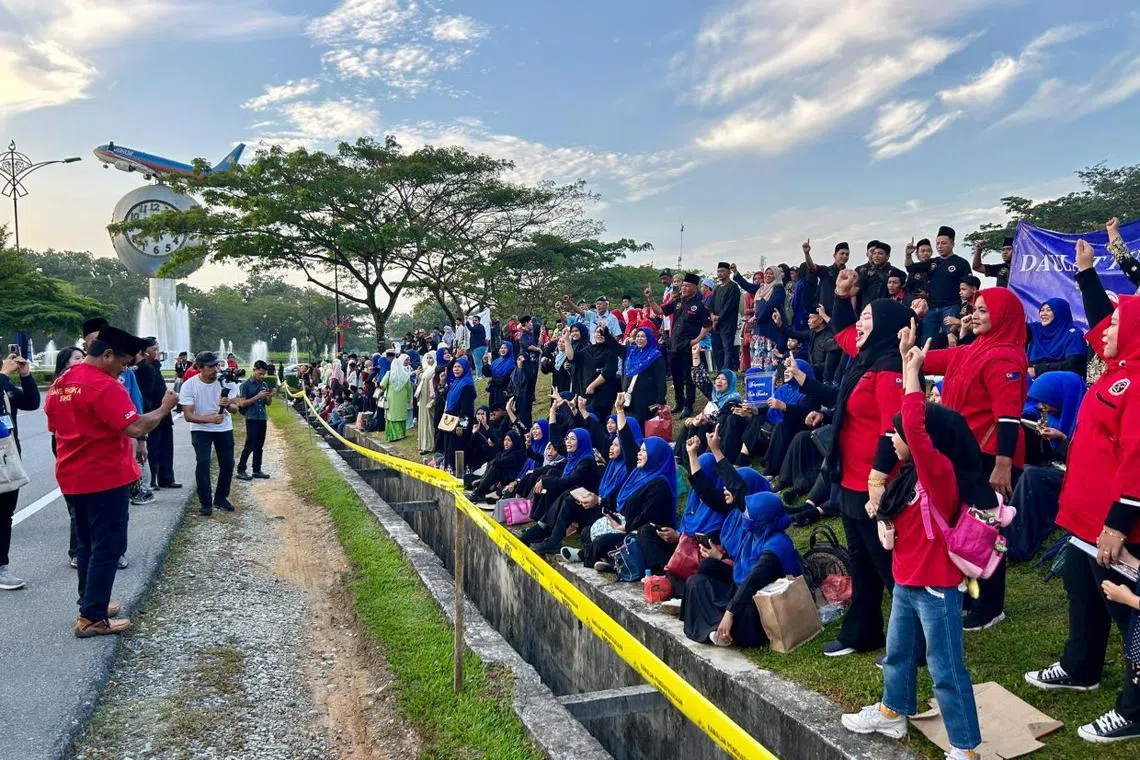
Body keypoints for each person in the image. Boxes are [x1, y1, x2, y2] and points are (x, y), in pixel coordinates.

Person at [841, 341, 982, 760]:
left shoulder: (938, 475)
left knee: (946, 668)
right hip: (907, 578)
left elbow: (916, 428)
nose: (892, 437)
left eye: (896, 433)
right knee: (898, 651)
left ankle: (965, 746)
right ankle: (892, 710)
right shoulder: (909, 477)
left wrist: (912, 371)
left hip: (938, 586)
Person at [1024, 234, 1140, 743]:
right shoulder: (1116, 369)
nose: (1103, 330)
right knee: (1081, 592)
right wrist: (1087, 273)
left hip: (1115, 523)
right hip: (1082, 517)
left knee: (1129, 613)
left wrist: (1119, 522)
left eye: (1118, 323)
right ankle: (1080, 667)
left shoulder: (1137, 382)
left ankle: (1135, 708)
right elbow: (1100, 323)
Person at [904, 286, 1027, 631]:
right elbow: (930, 359)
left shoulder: (1004, 356)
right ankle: (973, 593)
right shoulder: (974, 350)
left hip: (990, 459)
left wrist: (1003, 464)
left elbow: (1008, 417)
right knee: (967, 528)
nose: (976, 315)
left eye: (985, 310)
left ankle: (990, 605)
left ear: (1004, 316)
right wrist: (907, 344)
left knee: (986, 529)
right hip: (967, 456)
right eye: (975, 309)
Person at [803, 271, 912, 657]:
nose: (860, 324)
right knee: (862, 562)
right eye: (861, 316)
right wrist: (839, 294)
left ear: (887, 326)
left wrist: (878, 478)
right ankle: (862, 632)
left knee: (888, 567)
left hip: (876, 484)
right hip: (849, 480)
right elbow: (844, 330)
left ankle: (912, 642)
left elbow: (894, 432)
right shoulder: (863, 358)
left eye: (869, 318)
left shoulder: (888, 368)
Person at [45, 326, 179, 636]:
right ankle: (92, 619)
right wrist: (164, 407)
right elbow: (134, 427)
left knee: (87, 545)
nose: (125, 368)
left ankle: (91, 602)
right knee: (107, 546)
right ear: (106, 355)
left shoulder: (63, 381)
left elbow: (54, 425)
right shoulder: (104, 386)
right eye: (122, 362)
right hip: (104, 477)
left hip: (73, 476)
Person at [682, 490, 800, 648]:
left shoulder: (777, 546)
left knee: (745, 615)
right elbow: (739, 568)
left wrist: (730, 612)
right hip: (742, 592)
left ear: (763, 518)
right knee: (695, 583)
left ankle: (719, 628)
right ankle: (716, 629)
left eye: (749, 515)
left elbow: (753, 581)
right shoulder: (755, 535)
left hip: (762, 603)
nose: (745, 518)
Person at [1005, 371, 1085, 561]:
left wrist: (1063, 439)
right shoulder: (1056, 414)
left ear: (1060, 396)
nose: (1041, 406)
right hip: (1055, 469)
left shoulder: (1086, 417)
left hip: (1077, 478)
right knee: (1022, 470)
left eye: (1045, 400)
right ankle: (1005, 525)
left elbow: (1086, 460)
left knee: (1031, 476)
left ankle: (1015, 546)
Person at [179, 351, 241, 517]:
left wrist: (228, 405)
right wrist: (210, 419)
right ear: (200, 368)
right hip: (201, 429)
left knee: (227, 464)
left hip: (223, 428)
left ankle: (221, 497)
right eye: (211, 366)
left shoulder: (226, 381)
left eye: (217, 365)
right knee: (203, 462)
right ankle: (205, 503)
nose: (216, 369)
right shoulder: (189, 385)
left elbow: (235, 409)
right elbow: (188, 415)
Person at [0, 347, 39, 591]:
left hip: (7, 458)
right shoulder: (1, 380)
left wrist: (25, 375)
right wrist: (4, 374)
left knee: (4, 515)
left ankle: (2, 567)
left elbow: (31, 402)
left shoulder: (4, 385)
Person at [645, 273, 711, 417]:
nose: (684, 288)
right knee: (676, 375)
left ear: (694, 288)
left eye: (688, 286)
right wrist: (650, 298)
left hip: (688, 345)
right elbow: (659, 311)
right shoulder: (677, 301)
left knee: (689, 377)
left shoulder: (699, 305)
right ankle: (679, 402)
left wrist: (696, 340)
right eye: (683, 286)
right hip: (674, 344)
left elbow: (707, 326)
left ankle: (688, 405)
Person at [907, 226, 972, 338]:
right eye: (937, 244)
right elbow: (910, 268)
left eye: (943, 243)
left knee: (949, 339)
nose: (939, 246)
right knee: (928, 341)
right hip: (932, 308)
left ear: (952, 243)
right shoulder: (933, 263)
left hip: (952, 307)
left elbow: (969, 285)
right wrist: (908, 254)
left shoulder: (961, 263)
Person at [1028, 298, 1088, 379]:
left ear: (1060, 313)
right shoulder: (1036, 331)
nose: (1043, 314)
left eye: (1048, 310)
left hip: (1062, 383)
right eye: (1042, 310)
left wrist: (1037, 370)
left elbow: (1073, 366)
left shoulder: (1074, 335)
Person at [435, 358, 476, 473]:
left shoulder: (466, 385)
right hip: (451, 422)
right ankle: (450, 471)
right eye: (454, 367)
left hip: (459, 424)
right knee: (449, 449)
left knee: (457, 448)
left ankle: (459, 474)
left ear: (465, 368)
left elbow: (467, 409)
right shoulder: (455, 383)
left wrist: (462, 426)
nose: (456, 369)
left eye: (459, 367)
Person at [236, 360, 274, 480]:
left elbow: (268, 403)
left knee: (259, 445)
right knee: (250, 444)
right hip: (251, 417)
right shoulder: (246, 385)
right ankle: (241, 469)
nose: (261, 376)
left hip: (262, 417)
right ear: (254, 370)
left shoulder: (264, 384)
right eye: (260, 373)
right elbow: (242, 403)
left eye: (263, 374)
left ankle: (257, 469)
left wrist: (269, 396)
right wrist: (257, 396)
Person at [622, 327, 668, 425]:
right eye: (637, 336)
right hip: (630, 399)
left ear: (649, 338)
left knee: (644, 426)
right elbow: (616, 348)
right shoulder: (633, 352)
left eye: (643, 336)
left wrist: (661, 400)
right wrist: (606, 332)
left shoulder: (655, 356)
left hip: (647, 400)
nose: (639, 338)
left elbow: (661, 379)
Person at [710, 262, 741, 371]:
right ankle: (720, 372)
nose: (720, 273)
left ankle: (727, 372)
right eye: (718, 271)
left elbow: (729, 305)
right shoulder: (716, 288)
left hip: (727, 324)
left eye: (722, 271)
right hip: (715, 325)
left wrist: (718, 318)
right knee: (717, 349)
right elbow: (711, 304)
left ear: (728, 272)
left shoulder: (733, 287)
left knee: (727, 349)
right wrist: (712, 315)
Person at [378, 354, 413, 442]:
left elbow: (382, 385)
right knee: (401, 416)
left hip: (391, 400)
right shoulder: (405, 375)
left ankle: (393, 436)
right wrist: (409, 399)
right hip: (403, 400)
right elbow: (409, 389)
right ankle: (401, 434)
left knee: (392, 417)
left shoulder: (389, 374)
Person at [416, 351, 437, 455]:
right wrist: (419, 375)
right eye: (427, 358)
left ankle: (429, 445)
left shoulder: (435, 369)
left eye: (431, 358)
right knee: (423, 421)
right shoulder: (427, 369)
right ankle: (423, 444)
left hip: (429, 398)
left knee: (429, 421)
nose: (429, 360)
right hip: (423, 398)